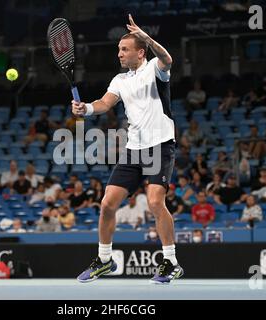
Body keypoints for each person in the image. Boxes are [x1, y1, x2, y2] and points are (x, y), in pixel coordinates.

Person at [73, 15, 183, 284]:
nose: (119, 54)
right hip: (134, 148)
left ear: (140, 51)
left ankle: (171, 262)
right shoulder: (120, 80)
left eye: (124, 49)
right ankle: (104, 259)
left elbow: (168, 58)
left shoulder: (155, 69)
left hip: (160, 145)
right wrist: (85, 109)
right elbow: (104, 103)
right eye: (119, 50)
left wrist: (146, 36)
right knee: (107, 204)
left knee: (156, 201)